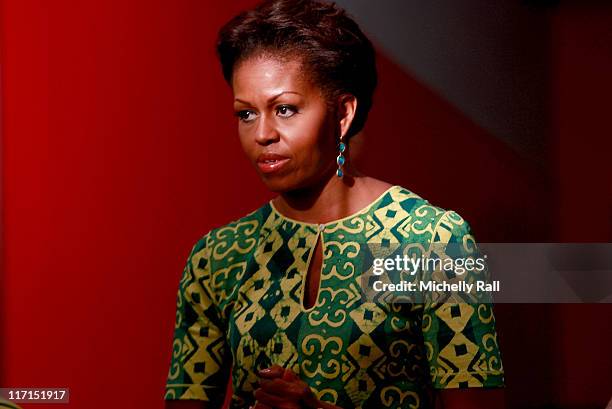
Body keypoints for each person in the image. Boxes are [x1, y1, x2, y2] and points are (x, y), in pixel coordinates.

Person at [164, 0, 505, 408]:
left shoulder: (432, 240)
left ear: (342, 113)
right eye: (246, 114)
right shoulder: (219, 256)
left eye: (285, 109)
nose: (262, 134)